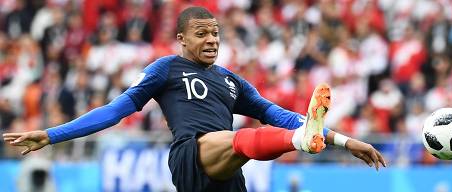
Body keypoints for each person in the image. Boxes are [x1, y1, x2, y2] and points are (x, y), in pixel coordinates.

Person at [3, 7, 386, 192]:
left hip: (227, 175)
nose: (212, 40)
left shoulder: (232, 81)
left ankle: (304, 139)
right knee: (241, 140)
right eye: (202, 33)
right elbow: (115, 110)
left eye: (216, 33)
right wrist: (52, 135)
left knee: (257, 133)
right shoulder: (166, 69)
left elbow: (282, 114)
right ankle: (301, 143)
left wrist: (345, 140)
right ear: (182, 39)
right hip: (191, 154)